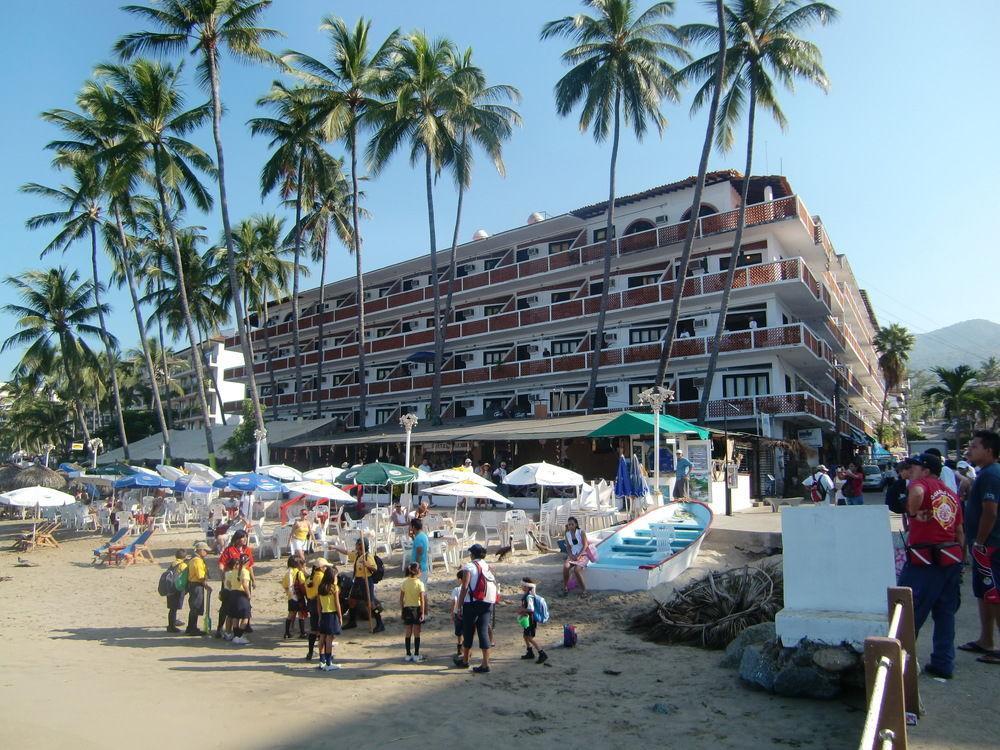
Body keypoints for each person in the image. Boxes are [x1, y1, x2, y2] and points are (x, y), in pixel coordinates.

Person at [898, 453, 964, 679]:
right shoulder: (951, 494)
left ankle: (901, 665)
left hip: (925, 560)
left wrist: (913, 513)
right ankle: (943, 663)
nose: (911, 471)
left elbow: (916, 492)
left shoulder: (921, 483)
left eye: (914, 467)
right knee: (945, 614)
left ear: (926, 470)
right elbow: (959, 532)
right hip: (950, 557)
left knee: (907, 614)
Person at [960, 430, 1000, 665]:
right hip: (985, 546)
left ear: (989, 450)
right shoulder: (984, 474)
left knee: (994, 594)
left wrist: (980, 542)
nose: (970, 449)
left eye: (974, 446)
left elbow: (990, 511)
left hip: (990, 546)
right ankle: (986, 640)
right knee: (984, 594)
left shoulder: (991, 475)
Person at [454, 543, 498, 673]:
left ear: (472, 554)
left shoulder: (469, 566)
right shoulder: (487, 566)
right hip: (487, 602)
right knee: (483, 631)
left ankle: (465, 660)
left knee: (468, 632)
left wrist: (460, 605)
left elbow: (464, 586)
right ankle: (485, 664)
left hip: (471, 603)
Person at [330, 538, 385, 632]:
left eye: (357, 544)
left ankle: (380, 623)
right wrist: (335, 547)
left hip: (366, 580)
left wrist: (367, 565)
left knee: (370, 604)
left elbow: (375, 569)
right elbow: (346, 552)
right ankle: (352, 621)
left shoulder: (368, 556)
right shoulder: (356, 555)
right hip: (358, 580)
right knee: (352, 600)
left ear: (361, 545)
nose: (356, 545)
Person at [215, 530, 255, 638]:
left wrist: (253, 580)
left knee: (246, 603)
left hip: (244, 580)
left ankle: (246, 625)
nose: (245, 539)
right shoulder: (229, 550)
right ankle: (220, 627)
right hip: (231, 581)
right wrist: (223, 577)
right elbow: (221, 564)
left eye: (245, 537)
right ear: (237, 539)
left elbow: (250, 565)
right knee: (226, 606)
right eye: (242, 537)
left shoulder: (247, 550)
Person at [316, 565, 343, 670]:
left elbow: (318, 604)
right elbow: (337, 604)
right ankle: (328, 663)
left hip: (323, 613)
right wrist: (340, 617)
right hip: (332, 614)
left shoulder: (321, 587)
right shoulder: (334, 588)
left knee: (322, 637)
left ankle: (321, 661)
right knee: (329, 639)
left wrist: (319, 615)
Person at [304, 557, 331, 661]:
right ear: (321, 567)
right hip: (318, 603)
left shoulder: (311, 577)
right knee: (321, 630)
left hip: (311, 603)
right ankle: (322, 655)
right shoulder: (320, 577)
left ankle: (310, 652)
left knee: (313, 629)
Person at [222, 554, 253, 645]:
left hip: (233, 594)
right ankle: (239, 636)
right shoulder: (244, 571)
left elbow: (228, 582)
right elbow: (244, 584)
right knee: (245, 616)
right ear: (246, 562)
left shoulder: (234, 571)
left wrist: (232, 588)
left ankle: (236, 635)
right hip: (241, 595)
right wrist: (248, 594)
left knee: (235, 616)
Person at [400, 562, 427, 663]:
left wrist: (403, 610)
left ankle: (408, 654)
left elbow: (401, 599)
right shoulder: (420, 583)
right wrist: (423, 613)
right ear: (418, 571)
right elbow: (422, 600)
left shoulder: (405, 583)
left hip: (407, 608)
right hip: (416, 609)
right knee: (417, 633)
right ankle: (416, 654)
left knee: (408, 632)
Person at [517, 578, 548, 664]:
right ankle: (529, 652)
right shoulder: (528, 595)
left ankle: (542, 653)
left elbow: (531, 609)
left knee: (529, 638)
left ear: (526, 587)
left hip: (531, 620)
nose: (521, 587)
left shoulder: (529, 596)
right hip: (528, 620)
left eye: (522, 585)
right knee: (525, 636)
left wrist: (522, 610)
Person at [184, 541, 212, 636]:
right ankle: (192, 628)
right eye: (205, 551)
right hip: (196, 585)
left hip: (194, 585)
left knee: (194, 606)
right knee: (195, 607)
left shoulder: (194, 559)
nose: (206, 553)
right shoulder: (197, 561)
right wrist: (206, 586)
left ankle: (190, 627)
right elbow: (200, 576)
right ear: (200, 550)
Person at [561, 516, 589, 596]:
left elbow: (585, 545)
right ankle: (565, 587)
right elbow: (568, 547)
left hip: (583, 554)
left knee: (576, 570)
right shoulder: (567, 534)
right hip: (573, 554)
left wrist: (579, 555)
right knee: (566, 567)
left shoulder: (581, 532)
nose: (570, 526)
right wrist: (571, 555)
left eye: (572, 524)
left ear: (576, 524)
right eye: (569, 525)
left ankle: (584, 590)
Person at [282, 556, 308, 639]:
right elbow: (303, 583)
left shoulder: (287, 573)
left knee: (290, 614)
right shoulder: (299, 573)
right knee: (301, 615)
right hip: (299, 596)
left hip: (291, 597)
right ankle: (302, 632)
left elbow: (285, 585)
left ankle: (287, 632)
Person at [166, 549, 187, 633]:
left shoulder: (173, 563)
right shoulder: (183, 565)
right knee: (173, 608)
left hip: (170, 587)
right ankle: (171, 626)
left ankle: (173, 621)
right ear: (185, 557)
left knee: (172, 607)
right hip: (177, 588)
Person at [409, 518, 430, 585]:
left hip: (420, 568)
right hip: (424, 567)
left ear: (413, 527)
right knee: (423, 590)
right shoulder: (423, 535)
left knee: (419, 591)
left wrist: (416, 568)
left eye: (411, 526)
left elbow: (419, 552)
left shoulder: (418, 538)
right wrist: (413, 538)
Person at [450, 570, 465, 659]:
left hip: (457, 613)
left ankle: (459, 648)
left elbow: (454, 601)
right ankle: (466, 648)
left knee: (459, 632)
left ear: (459, 579)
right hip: (467, 612)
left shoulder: (456, 589)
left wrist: (452, 613)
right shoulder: (469, 588)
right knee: (466, 632)